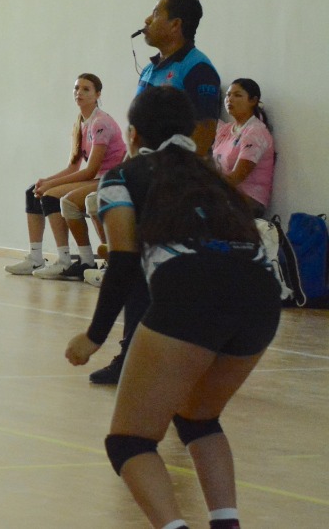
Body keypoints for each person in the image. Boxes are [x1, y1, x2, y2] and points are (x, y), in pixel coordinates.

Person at [65, 86, 277, 529]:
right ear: (191, 131)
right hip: (261, 296)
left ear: (133, 132)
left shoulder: (121, 178)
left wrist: (94, 336)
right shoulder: (215, 176)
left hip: (192, 292)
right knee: (200, 418)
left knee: (129, 442)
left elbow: (122, 260)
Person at [92, 0, 223, 385]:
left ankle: (176, 359)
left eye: (154, 14)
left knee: (167, 279)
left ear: (176, 24)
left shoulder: (198, 70)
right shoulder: (151, 69)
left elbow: (202, 136)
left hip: (175, 190)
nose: (146, 21)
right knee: (137, 276)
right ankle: (134, 354)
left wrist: (168, 183)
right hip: (144, 182)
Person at [5, 74, 125, 280]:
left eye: (86, 89)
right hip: (94, 178)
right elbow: (73, 167)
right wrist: (46, 181)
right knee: (33, 191)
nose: (79, 92)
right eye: (76, 88)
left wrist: (51, 185)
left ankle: (66, 260)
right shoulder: (81, 121)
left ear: (98, 94)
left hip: (108, 179)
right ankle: (35, 257)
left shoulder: (100, 123)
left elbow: (90, 170)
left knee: (52, 196)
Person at [212, 79, 275, 218]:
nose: (230, 99)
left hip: (249, 200)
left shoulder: (255, 132)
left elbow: (236, 178)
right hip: (225, 194)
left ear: (253, 101)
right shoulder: (226, 129)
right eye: (228, 95)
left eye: (237, 95)